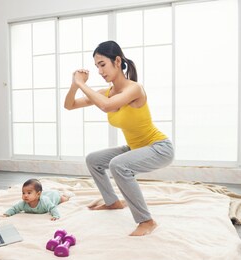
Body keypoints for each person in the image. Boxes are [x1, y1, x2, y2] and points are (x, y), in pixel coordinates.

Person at [64, 40, 174, 236]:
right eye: (96, 66)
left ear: (117, 61)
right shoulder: (106, 92)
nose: (99, 71)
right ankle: (112, 202)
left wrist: (81, 83)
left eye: (102, 64)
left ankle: (146, 221)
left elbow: (107, 106)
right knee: (93, 159)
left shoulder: (134, 89)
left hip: (159, 148)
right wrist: (75, 84)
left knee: (118, 165)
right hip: (135, 148)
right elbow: (69, 105)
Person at [0, 178, 71, 221]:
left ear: (38, 194)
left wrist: (55, 216)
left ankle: (65, 195)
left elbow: (52, 207)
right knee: (45, 193)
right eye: (23, 193)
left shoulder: (44, 201)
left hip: (53, 196)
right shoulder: (23, 204)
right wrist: (7, 214)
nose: (25, 195)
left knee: (63, 199)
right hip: (43, 194)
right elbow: (15, 208)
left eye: (29, 193)